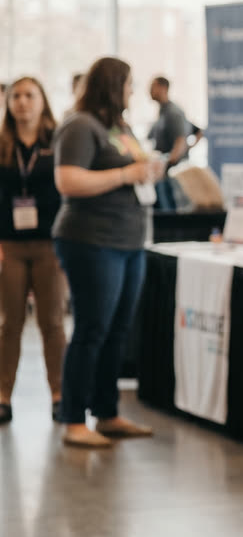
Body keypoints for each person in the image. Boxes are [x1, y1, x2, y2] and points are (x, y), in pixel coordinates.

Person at [53, 57, 160, 448]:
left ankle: (107, 412)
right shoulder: (80, 125)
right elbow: (67, 180)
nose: (133, 91)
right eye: (129, 84)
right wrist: (125, 174)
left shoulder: (120, 127)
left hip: (128, 241)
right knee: (91, 330)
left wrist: (149, 169)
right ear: (114, 85)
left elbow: (136, 167)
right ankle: (73, 420)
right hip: (91, 241)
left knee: (116, 332)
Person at [0, 77, 67, 424]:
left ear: (43, 100)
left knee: (52, 322)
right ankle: (2, 396)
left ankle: (59, 394)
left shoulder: (58, 141)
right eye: (16, 97)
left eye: (30, 95)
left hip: (50, 244)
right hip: (9, 245)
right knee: (9, 323)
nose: (22, 102)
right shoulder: (2, 143)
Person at [147, 76, 193, 210]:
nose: (149, 90)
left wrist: (168, 162)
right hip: (163, 171)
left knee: (169, 210)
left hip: (171, 173)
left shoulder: (174, 112)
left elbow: (181, 141)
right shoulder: (162, 112)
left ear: (163, 88)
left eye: (153, 86)